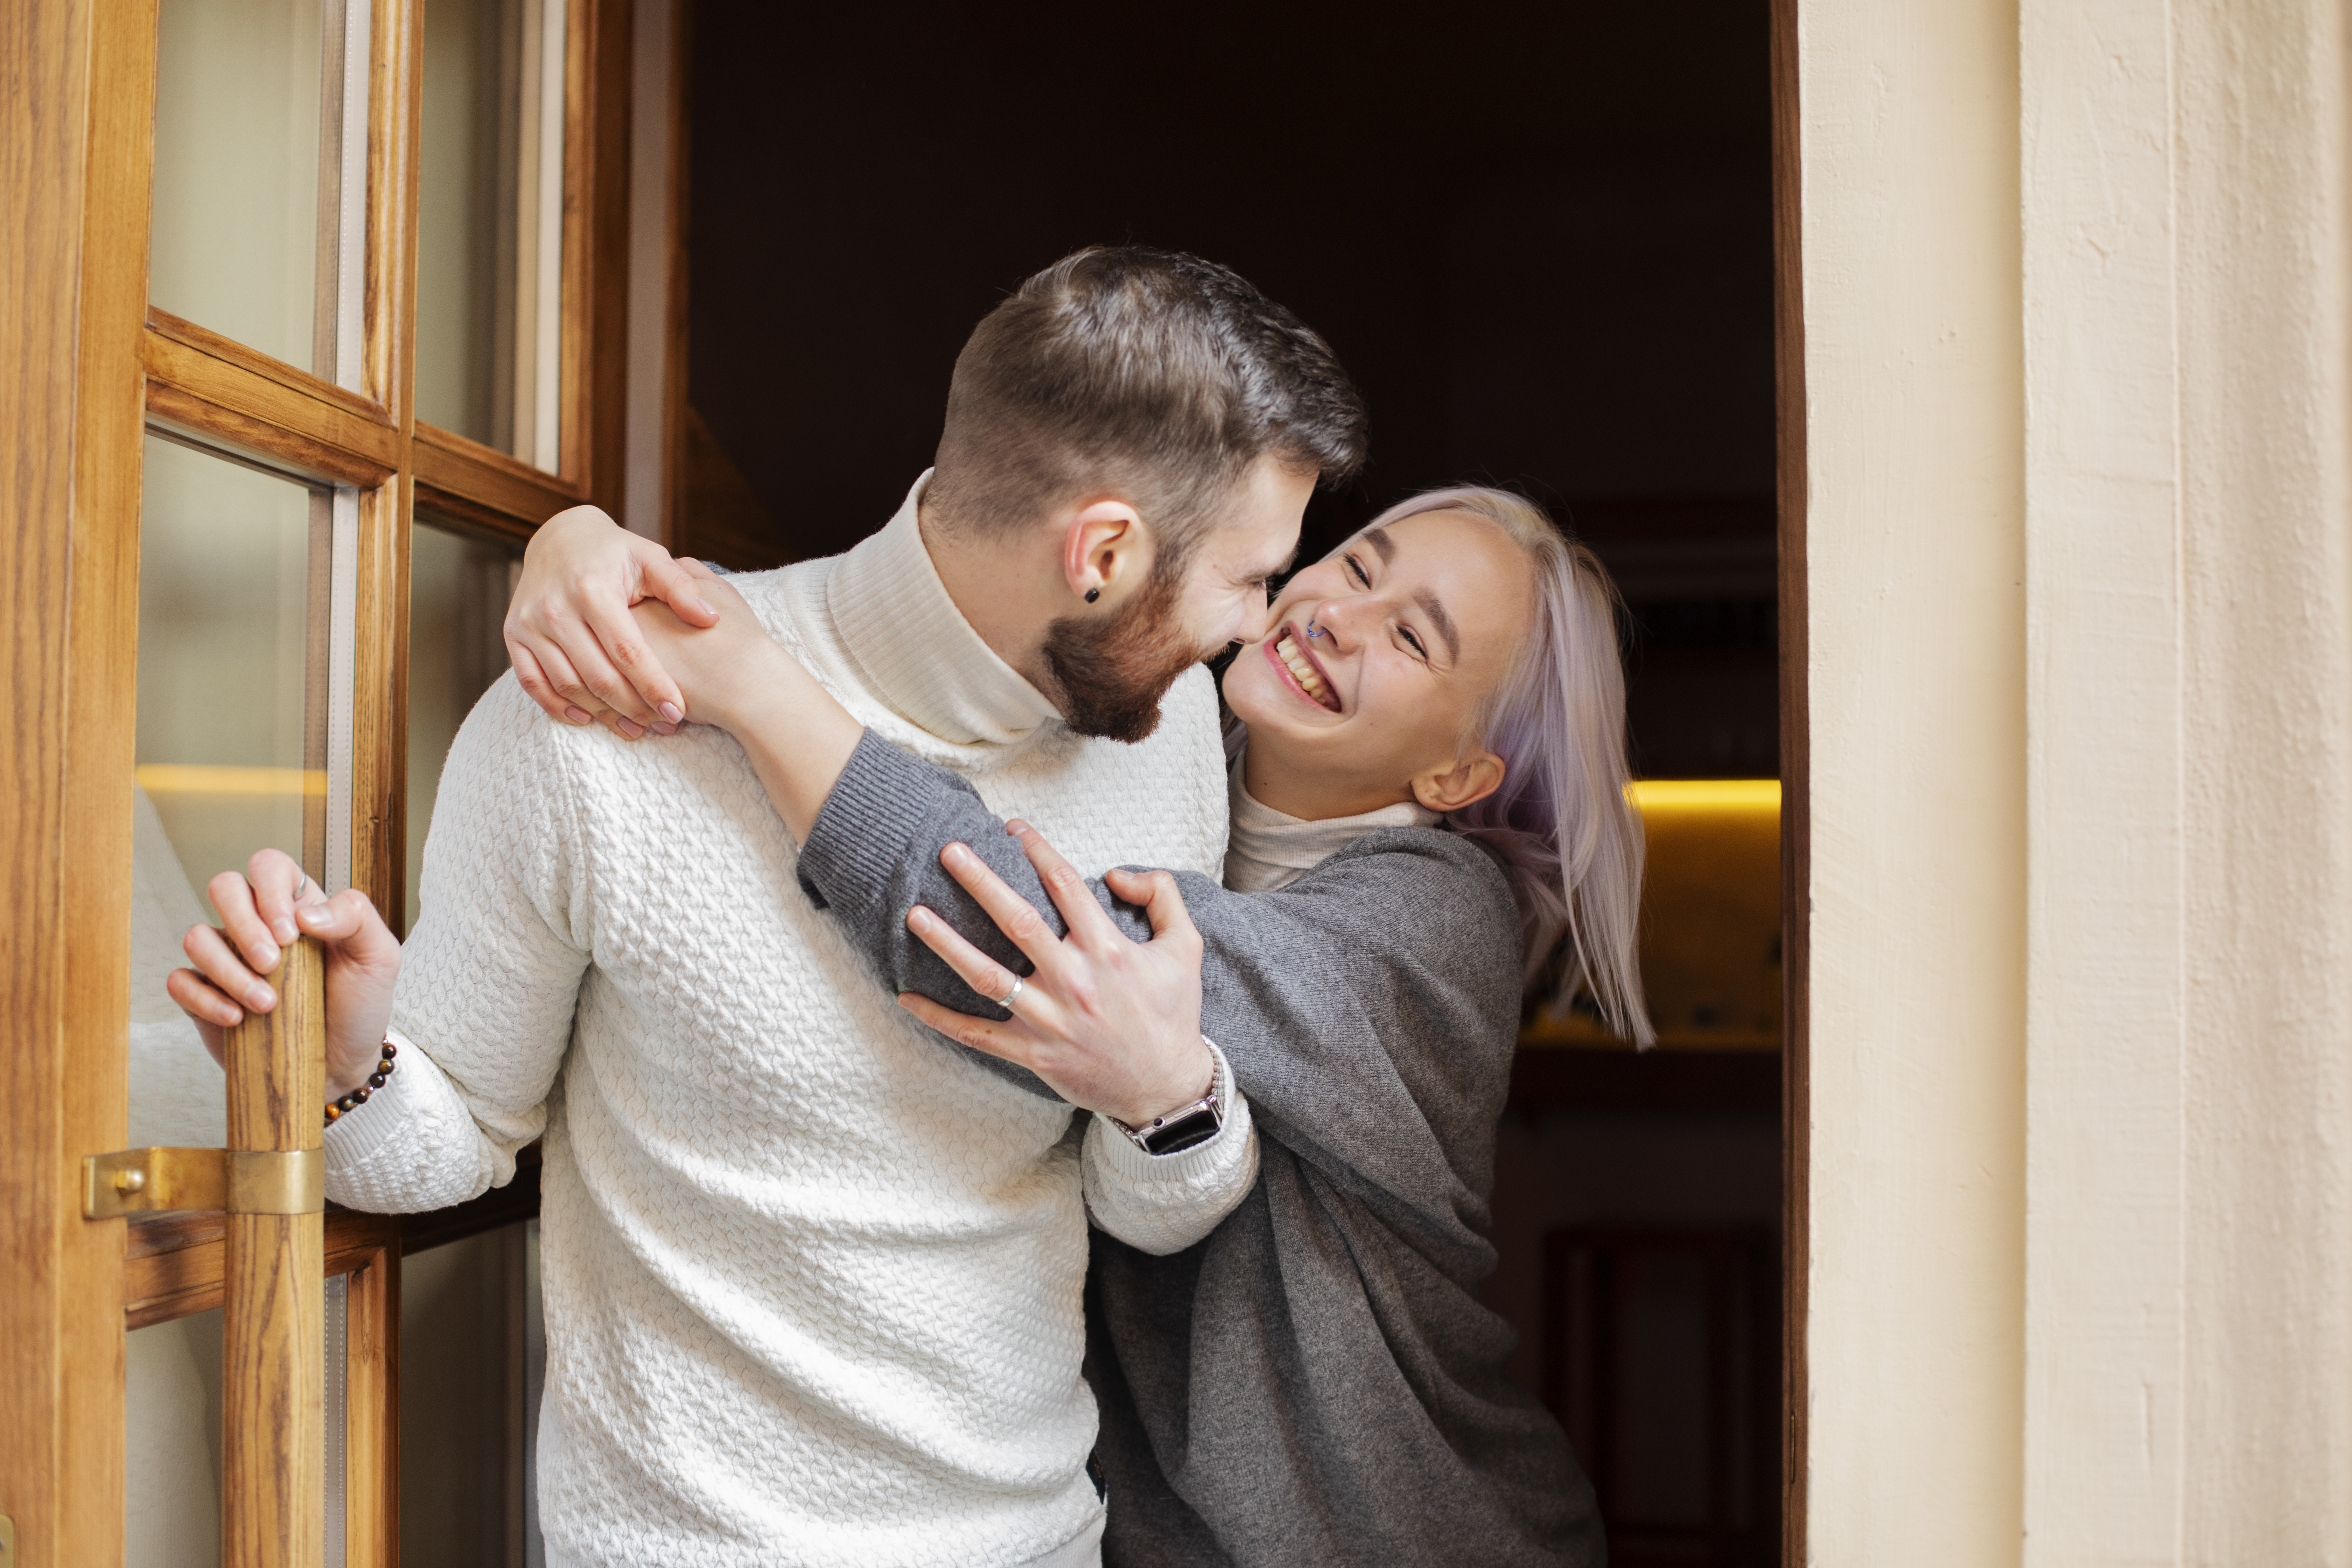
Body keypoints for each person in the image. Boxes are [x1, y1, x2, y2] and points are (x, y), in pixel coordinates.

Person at [167, 246, 1366, 1568]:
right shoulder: (595, 717)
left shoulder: (1170, 734)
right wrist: (346, 1066)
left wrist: (1169, 1103)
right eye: (1252, 580)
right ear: (1103, 554)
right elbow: (455, 1142)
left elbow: (1141, 1205)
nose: (1260, 628)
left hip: (1034, 1544)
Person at [534, 483, 1647, 1565]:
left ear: (1456, 772)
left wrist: (741, 676)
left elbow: (1019, 934)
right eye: (1356, 566)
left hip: (1386, 1535)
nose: (1340, 618)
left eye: (1412, 639)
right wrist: (591, 559)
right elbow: (895, 676)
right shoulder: (1165, 747)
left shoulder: (1441, 919)